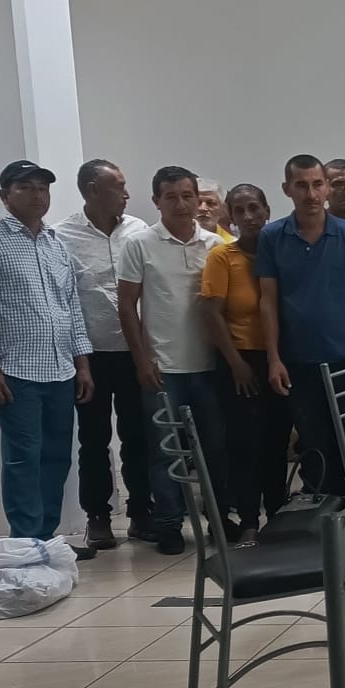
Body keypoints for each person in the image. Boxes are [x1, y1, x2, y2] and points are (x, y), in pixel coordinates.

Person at [118, 166, 226, 553]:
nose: (181, 204)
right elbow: (126, 306)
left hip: (209, 366)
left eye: (187, 195)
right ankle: (168, 524)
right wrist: (141, 360)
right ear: (156, 201)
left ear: (198, 198)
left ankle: (219, 519)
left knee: (215, 449)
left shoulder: (214, 245)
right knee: (165, 453)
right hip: (163, 368)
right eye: (171, 197)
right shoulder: (140, 244)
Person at [256, 154, 345, 502]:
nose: (310, 194)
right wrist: (274, 358)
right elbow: (268, 301)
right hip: (298, 361)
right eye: (301, 186)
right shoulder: (272, 236)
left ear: (325, 187)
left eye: (316, 184)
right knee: (314, 445)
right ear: (287, 189)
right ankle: (323, 520)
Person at [0, 161, 94, 545]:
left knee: (57, 457)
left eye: (43, 188)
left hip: (61, 370)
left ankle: (46, 541)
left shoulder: (55, 243)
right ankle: (26, 543)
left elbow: (71, 308)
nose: (37, 195)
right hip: (15, 371)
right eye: (26, 187)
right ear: (5, 196)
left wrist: (82, 364)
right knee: (23, 458)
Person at [57, 158, 156, 548]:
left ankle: (141, 512)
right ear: (92, 190)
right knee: (94, 439)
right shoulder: (62, 236)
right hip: (90, 355)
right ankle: (97, 517)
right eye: (119, 186)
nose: (127, 194)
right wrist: (77, 358)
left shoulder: (139, 230)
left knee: (138, 435)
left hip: (136, 351)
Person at [199, 184, 292, 544]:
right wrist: (235, 362)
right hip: (239, 362)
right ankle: (250, 521)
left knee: (276, 442)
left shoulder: (281, 253)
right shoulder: (223, 256)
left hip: (279, 359)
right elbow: (211, 313)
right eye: (240, 210)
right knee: (244, 444)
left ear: (267, 210)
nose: (249, 216)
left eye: (255, 208)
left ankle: (278, 517)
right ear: (231, 216)